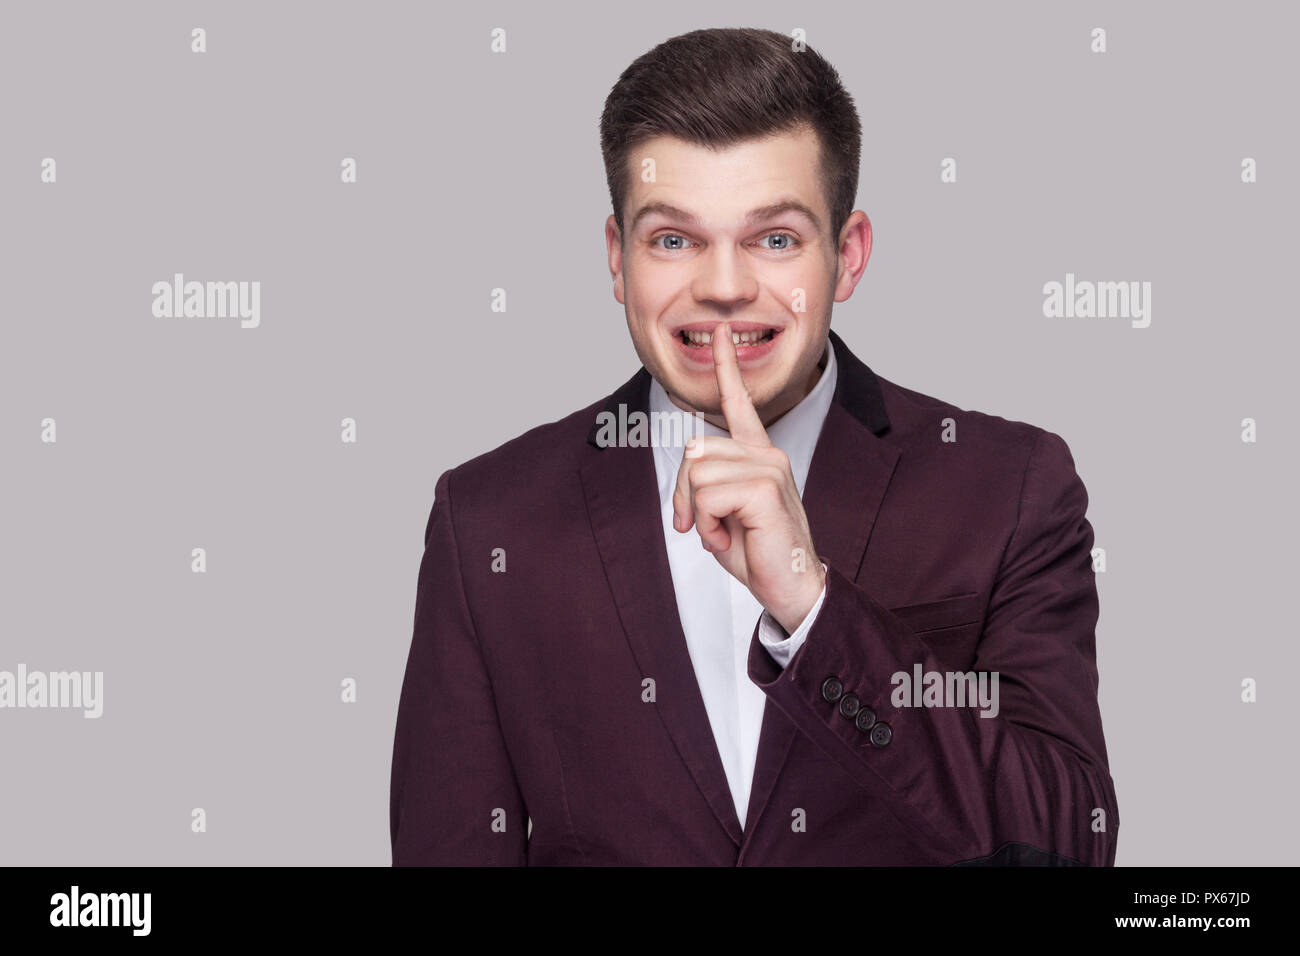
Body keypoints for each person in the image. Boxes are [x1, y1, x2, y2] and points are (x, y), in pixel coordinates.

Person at [389, 26, 1119, 866]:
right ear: (618, 261)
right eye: (673, 240)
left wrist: (814, 612)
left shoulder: (1009, 487)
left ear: (846, 258)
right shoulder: (487, 521)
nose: (726, 287)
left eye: (775, 239)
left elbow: (1071, 842)